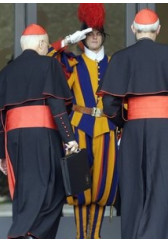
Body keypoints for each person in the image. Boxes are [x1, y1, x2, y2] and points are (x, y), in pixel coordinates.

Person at [97, 9, 168, 239]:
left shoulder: (121, 57)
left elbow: (110, 103)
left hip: (133, 129)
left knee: (134, 189)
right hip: (165, 131)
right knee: (163, 188)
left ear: (133, 30)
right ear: (158, 30)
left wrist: (124, 121)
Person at [0, 24, 79, 239]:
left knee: (25, 189)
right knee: (54, 189)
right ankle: (29, 233)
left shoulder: (5, 72)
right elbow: (57, 107)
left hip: (15, 140)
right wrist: (69, 138)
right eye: (46, 44)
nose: (47, 48)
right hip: (43, 135)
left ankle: (26, 231)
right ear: (40, 43)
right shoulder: (49, 65)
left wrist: (1, 153)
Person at [47, 4, 119, 239]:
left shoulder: (115, 63)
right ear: (83, 38)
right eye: (89, 33)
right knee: (80, 187)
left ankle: (95, 236)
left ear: (103, 35)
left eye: (98, 32)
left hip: (108, 128)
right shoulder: (72, 63)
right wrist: (67, 40)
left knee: (101, 187)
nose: (95, 37)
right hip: (79, 127)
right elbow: (46, 59)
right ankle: (81, 236)